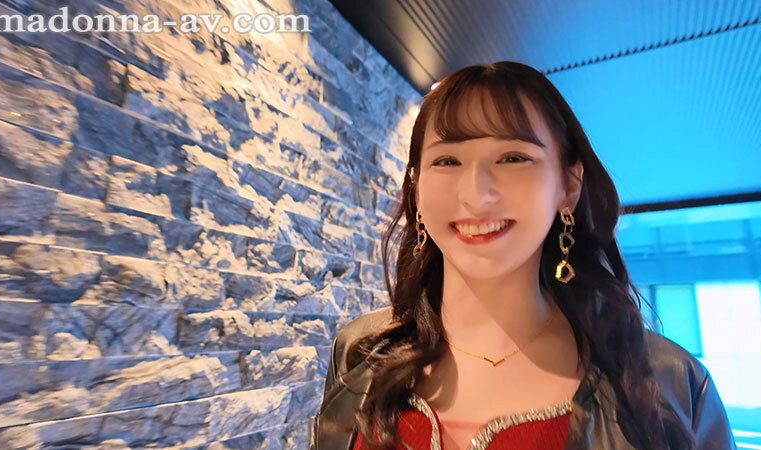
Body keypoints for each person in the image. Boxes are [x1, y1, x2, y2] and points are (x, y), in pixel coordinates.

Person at [310, 61, 735, 450]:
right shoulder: (360, 352)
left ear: (569, 186)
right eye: (448, 161)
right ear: (417, 188)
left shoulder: (669, 384)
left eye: (513, 158)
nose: (476, 194)